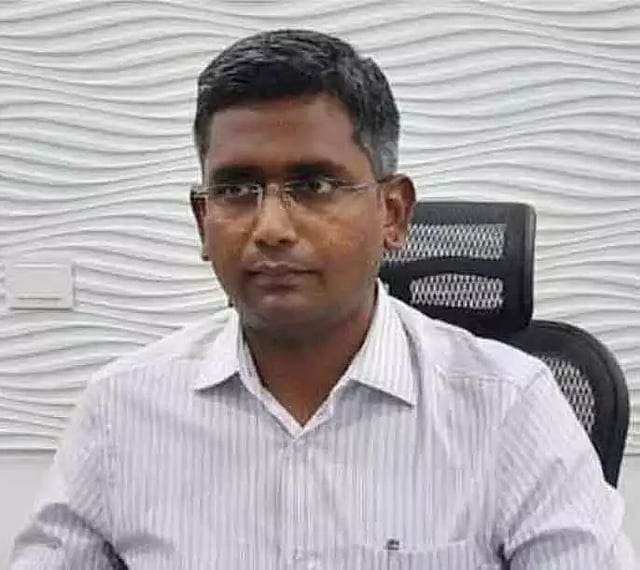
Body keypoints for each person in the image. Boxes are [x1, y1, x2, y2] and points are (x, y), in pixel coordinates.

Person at [10, 29, 636, 570]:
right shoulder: (123, 409)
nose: (270, 228)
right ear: (203, 221)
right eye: (236, 190)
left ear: (393, 213)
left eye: (313, 185)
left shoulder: (509, 407)